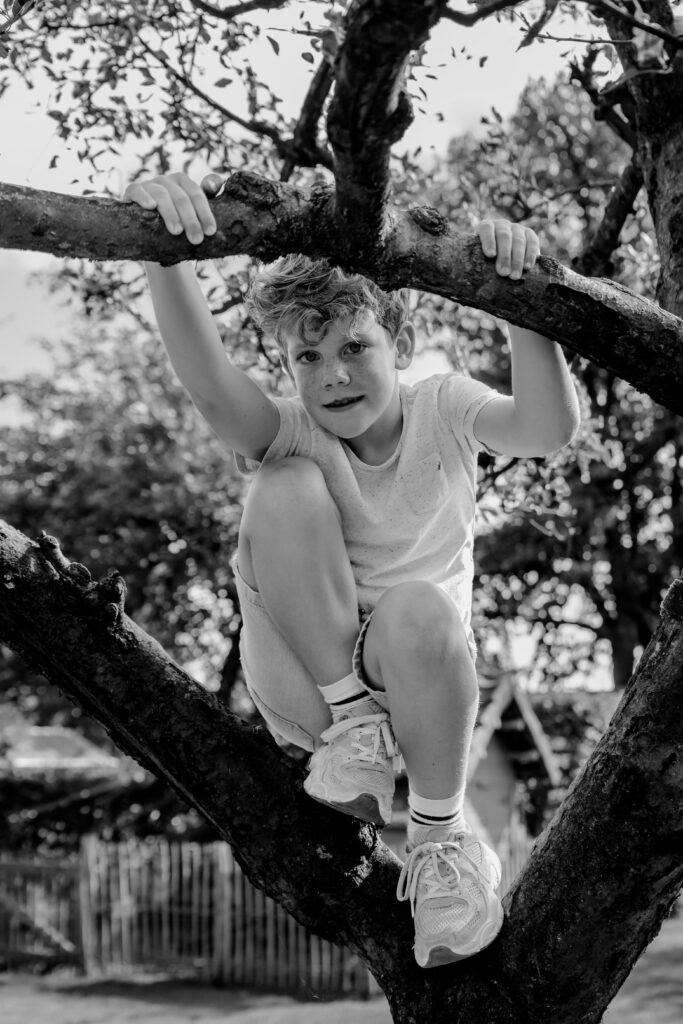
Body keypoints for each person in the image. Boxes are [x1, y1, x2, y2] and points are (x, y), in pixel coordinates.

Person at [123, 171, 581, 968]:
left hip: (420, 684)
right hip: (311, 688)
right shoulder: (295, 433)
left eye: (354, 347)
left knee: (417, 608)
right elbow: (210, 386)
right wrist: (162, 252)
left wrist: (522, 299)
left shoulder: (443, 406)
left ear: (398, 346)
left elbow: (543, 430)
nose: (332, 372)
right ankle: (355, 733)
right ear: (288, 365)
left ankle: (440, 843)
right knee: (283, 482)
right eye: (308, 354)